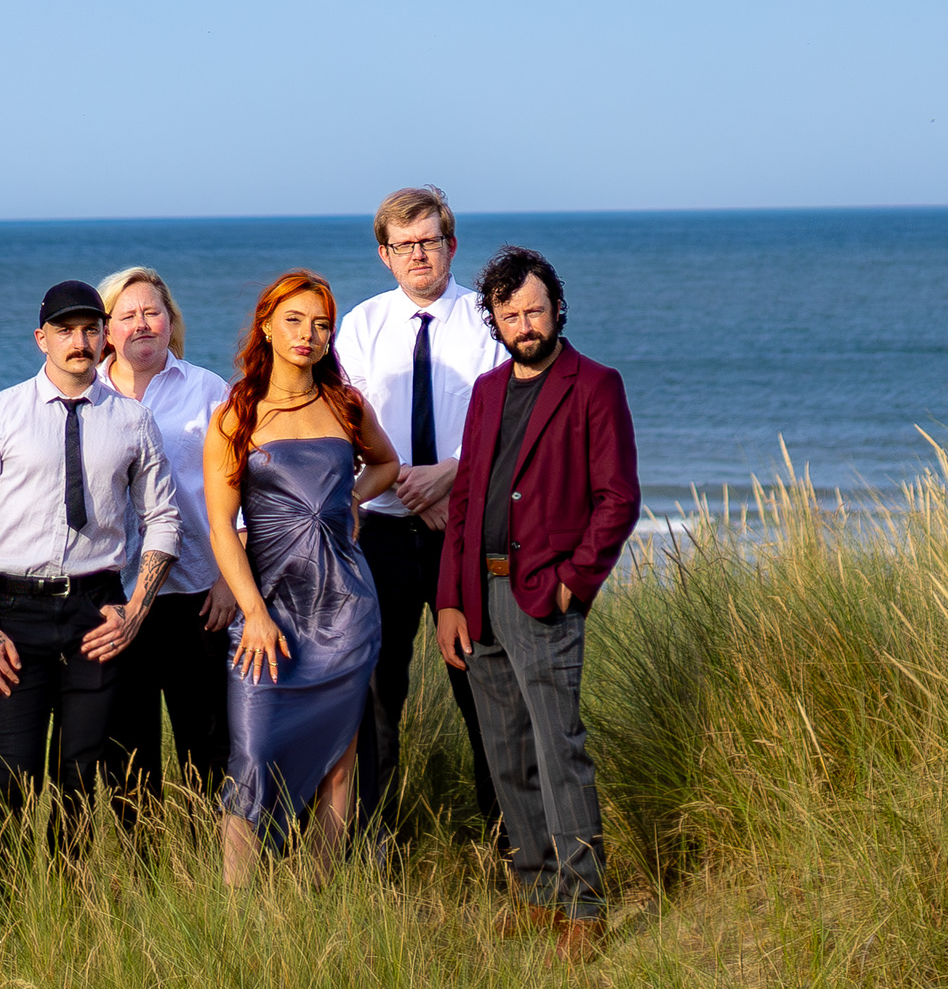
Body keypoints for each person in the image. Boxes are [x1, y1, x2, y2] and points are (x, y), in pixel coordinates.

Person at [432, 246, 637, 959]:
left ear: (557, 309)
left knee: (559, 751)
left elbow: (617, 501)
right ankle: (536, 888)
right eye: (509, 312)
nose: (524, 323)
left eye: (535, 309)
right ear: (493, 317)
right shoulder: (487, 391)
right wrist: (451, 601)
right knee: (506, 753)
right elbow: (464, 502)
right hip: (478, 596)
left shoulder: (594, 385)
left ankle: (585, 904)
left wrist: (572, 584)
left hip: (541, 597)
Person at [0, 277, 182, 872]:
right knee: (16, 780)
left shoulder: (131, 422)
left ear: (105, 339)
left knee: (81, 777)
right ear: (41, 339)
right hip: (14, 616)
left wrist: (135, 610)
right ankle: (3, 913)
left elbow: (163, 519)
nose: (80, 341)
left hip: (96, 611)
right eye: (66, 331)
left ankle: (67, 917)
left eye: (90, 329)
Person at [202, 268, 398, 881]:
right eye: (294, 320)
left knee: (341, 762)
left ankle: (316, 903)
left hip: (345, 608)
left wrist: (350, 500)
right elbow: (221, 528)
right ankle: (232, 920)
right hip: (270, 613)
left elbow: (386, 465)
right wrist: (254, 614)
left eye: (320, 325)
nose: (307, 335)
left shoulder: (345, 405)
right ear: (265, 325)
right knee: (253, 756)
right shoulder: (235, 414)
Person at [334, 183, 504, 832]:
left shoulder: (488, 322)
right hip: (381, 536)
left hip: (463, 534)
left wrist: (450, 481)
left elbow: (504, 423)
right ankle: (376, 849)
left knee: (482, 687)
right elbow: (348, 425)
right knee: (377, 695)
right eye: (403, 245)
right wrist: (409, 484)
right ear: (385, 254)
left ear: (451, 244)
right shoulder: (362, 326)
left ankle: (507, 845)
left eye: (428, 241)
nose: (418, 255)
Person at [99, 264, 239, 798]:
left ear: (170, 320)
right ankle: (145, 869)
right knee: (127, 756)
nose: (141, 324)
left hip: (197, 596)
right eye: (126, 315)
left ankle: (210, 865)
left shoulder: (207, 390)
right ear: (107, 328)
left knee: (208, 744)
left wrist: (229, 580)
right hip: (114, 598)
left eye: (151, 312)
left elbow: (239, 490)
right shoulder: (88, 395)